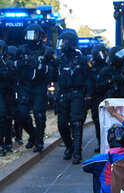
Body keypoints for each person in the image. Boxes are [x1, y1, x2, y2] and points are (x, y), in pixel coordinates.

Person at [50, 31, 93, 164]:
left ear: (70, 42)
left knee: (76, 122)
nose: (61, 45)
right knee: (62, 124)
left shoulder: (82, 60)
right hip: (63, 93)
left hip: (77, 93)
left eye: (63, 42)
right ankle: (69, 146)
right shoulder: (60, 60)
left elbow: (90, 78)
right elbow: (53, 78)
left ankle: (77, 152)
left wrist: (89, 95)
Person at [15, 24, 55, 152]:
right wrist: (18, 64)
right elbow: (11, 64)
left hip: (39, 86)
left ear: (41, 36)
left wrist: (40, 66)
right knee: (21, 113)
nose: (31, 38)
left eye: (35, 35)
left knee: (39, 115)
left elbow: (54, 71)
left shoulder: (47, 51)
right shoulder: (21, 50)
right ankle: (32, 134)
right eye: (29, 34)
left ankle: (39, 141)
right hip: (25, 85)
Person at [0, 40, 15, 152]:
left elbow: (10, 77)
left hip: (7, 92)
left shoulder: (7, 63)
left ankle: (8, 142)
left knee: (8, 118)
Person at [89, 44, 109, 153]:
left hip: (106, 96)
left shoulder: (109, 67)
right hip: (96, 97)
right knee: (97, 121)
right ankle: (100, 142)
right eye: (101, 54)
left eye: (105, 53)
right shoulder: (92, 68)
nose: (104, 56)